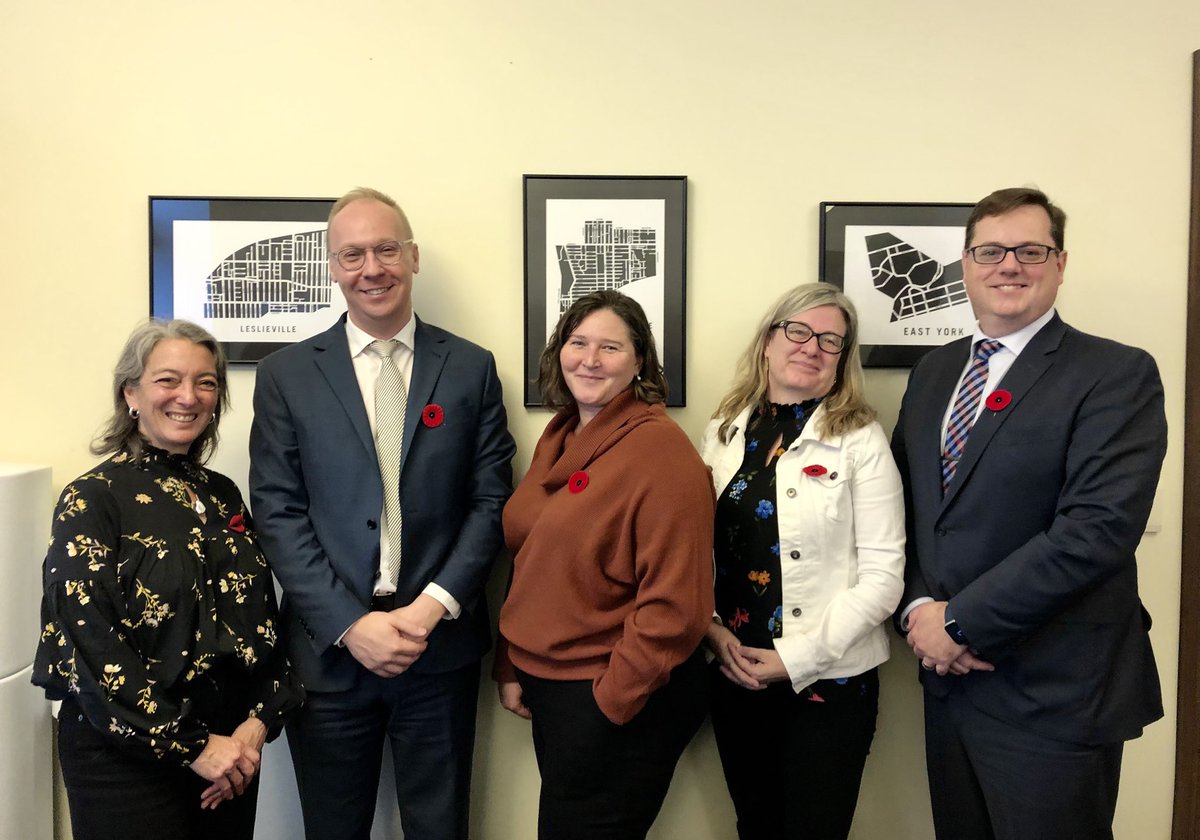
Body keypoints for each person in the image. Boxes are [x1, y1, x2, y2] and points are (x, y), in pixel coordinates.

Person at [892, 187, 1167, 840]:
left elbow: (1095, 531)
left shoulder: (1115, 374)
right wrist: (917, 611)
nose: (1008, 265)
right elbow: (904, 513)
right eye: (990, 250)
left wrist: (957, 622)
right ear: (965, 264)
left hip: (1055, 695)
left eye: (1030, 250)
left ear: (1061, 263)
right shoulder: (933, 373)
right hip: (950, 690)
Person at [249, 186, 515, 840]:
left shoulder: (472, 369)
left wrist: (429, 609)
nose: (373, 268)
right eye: (353, 254)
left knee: (440, 827)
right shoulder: (287, 376)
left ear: (413, 256)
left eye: (386, 249)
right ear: (333, 269)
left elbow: (491, 503)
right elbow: (277, 513)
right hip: (330, 659)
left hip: (440, 651)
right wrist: (350, 624)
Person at [32, 319, 302, 840]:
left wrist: (255, 726)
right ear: (130, 392)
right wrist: (197, 747)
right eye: (168, 380)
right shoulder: (93, 499)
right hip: (126, 761)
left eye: (206, 382)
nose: (189, 396)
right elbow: (92, 646)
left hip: (230, 753)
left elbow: (260, 621)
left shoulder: (223, 496)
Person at [494, 289, 715, 840]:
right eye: (578, 343)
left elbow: (677, 606)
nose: (590, 360)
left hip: (614, 692)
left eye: (610, 347)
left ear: (640, 361)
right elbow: (532, 558)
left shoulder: (662, 452)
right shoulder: (562, 435)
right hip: (554, 687)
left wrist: (610, 705)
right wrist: (512, 661)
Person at [699, 283, 905, 839]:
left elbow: (885, 578)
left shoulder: (860, 438)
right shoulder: (725, 428)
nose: (811, 347)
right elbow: (696, 553)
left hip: (828, 682)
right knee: (755, 825)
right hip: (736, 671)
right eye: (798, 331)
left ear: (842, 360)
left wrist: (796, 657)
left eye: (831, 341)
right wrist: (714, 633)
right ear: (768, 340)